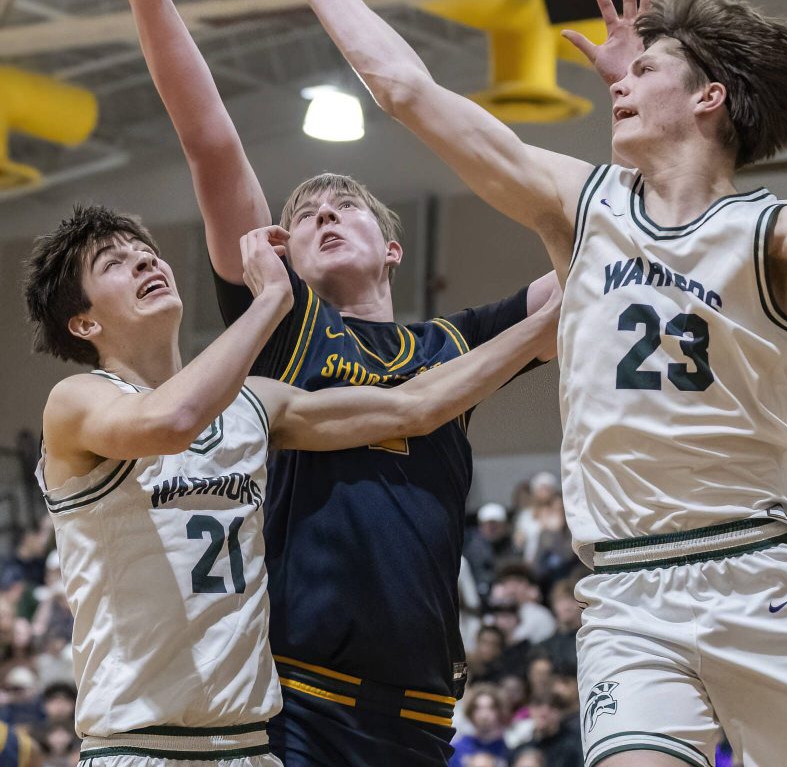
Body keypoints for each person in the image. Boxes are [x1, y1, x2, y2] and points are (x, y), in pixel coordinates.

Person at [211, 0, 787, 767]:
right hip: (628, 589)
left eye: (643, 71)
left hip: (762, 562)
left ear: (709, 98)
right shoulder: (583, 206)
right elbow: (407, 91)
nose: (619, 81)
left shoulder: (770, 230)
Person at [68, 0, 560, 767]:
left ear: (393, 245)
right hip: (296, 686)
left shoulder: (456, 340)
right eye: (303, 215)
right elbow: (210, 140)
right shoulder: (284, 322)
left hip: (422, 697)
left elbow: (593, 244)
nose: (321, 214)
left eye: (345, 209)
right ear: (281, 253)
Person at [24, 203, 557, 767]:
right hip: (139, 746)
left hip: (250, 748)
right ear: (83, 323)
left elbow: (414, 406)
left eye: (145, 251)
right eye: (114, 262)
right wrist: (274, 300)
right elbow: (171, 422)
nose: (143, 261)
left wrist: (549, 323)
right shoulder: (78, 400)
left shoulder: (254, 403)